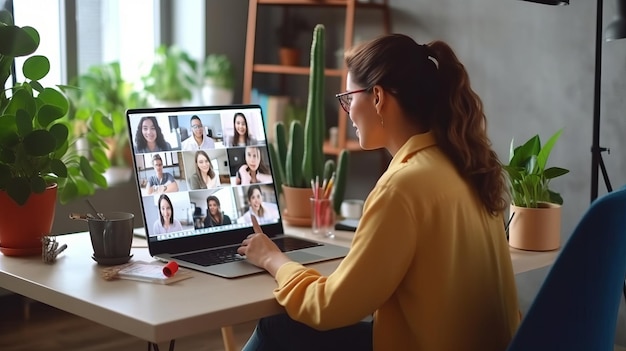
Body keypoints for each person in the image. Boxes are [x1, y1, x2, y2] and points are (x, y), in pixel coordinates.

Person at [237, 34, 520, 351]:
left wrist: (273, 259)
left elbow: (330, 307)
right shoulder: (465, 165)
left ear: (377, 97)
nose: (347, 111)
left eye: (348, 98)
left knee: (279, 328)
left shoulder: (403, 186)